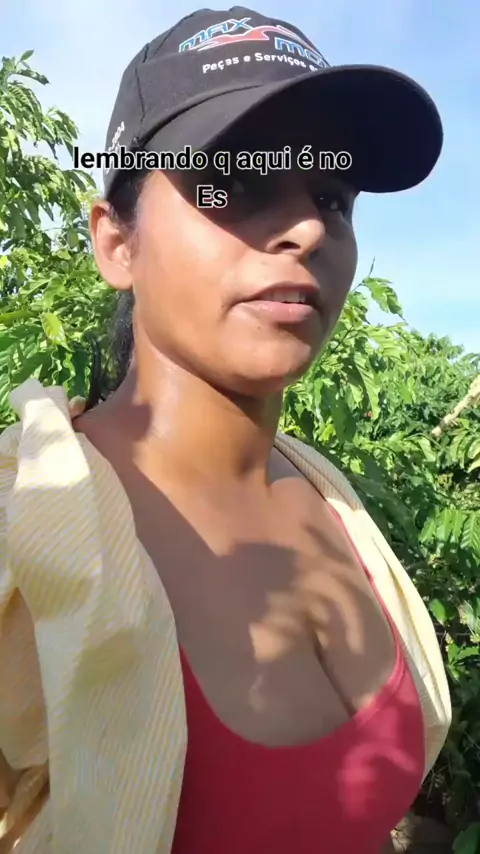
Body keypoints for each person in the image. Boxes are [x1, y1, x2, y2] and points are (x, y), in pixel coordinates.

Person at [0, 6, 451, 853]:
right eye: (235, 184)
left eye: (332, 197)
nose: (308, 229)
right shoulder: (26, 539)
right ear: (116, 244)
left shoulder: (329, 498)